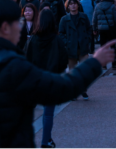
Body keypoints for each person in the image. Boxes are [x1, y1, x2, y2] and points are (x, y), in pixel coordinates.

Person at [0, 0, 115, 148]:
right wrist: (94, 62)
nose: (21, 27)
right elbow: (61, 88)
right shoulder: (11, 65)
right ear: (5, 27)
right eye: (17, 22)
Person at [26, 8, 68, 148]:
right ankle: (46, 140)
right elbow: (63, 60)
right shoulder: (57, 40)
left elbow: (27, 59)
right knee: (48, 113)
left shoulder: (33, 39)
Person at [58, 0, 93, 98]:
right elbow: (61, 33)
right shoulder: (64, 19)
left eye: (75, 3)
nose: (73, 5)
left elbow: (89, 29)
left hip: (83, 46)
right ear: (68, 6)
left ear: (78, 5)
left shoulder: (83, 16)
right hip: (70, 47)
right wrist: (66, 42)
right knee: (72, 71)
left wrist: (87, 39)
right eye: (71, 4)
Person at [92, 0, 116, 70]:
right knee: (113, 47)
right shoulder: (112, 6)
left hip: (101, 29)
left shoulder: (97, 6)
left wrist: (94, 28)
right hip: (110, 29)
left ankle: (103, 64)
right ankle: (114, 63)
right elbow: (115, 19)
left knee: (103, 47)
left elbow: (94, 19)